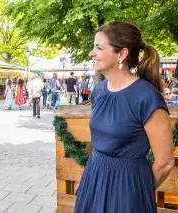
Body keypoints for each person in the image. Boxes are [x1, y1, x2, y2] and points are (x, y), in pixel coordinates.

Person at [75, 21, 174, 213]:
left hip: (128, 189)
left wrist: (135, 192)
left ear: (122, 54)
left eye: (99, 47)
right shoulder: (100, 91)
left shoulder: (146, 98)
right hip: (93, 179)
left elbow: (165, 162)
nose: (91, 53)